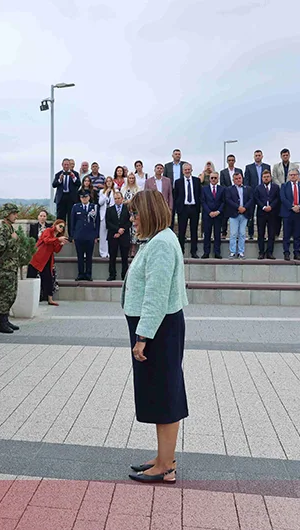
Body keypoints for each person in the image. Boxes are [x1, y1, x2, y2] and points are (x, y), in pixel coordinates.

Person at [122, 190, 188, 484]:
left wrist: (142, 336)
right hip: (159, 327)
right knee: (163, 392)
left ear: (147, 213)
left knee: (164, 394)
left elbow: (156, 296)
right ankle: (164, 457)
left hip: (158, 329)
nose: (132, 220)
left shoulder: (160, 244)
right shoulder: (157, 239)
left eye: (135, 214)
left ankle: (165, 467)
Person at [0, 203, 21, 332]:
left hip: (12, 266)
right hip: (5, 267)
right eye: (13, 213)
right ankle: (1, 323)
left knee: (11, 294)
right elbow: (0, 247)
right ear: (7, 214)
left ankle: (6, 319)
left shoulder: (10, 228)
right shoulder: (2, 230)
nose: (16, 216)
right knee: (5, 294)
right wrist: (12, 239)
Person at [28, 218, 66, 305]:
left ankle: (50, 299)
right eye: (60, 226)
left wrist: (60, 244)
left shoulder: (57, 237)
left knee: (48, 278)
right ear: (55, 225)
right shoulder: (48, 231)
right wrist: (58, 240)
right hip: (38, 257)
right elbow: (46, 240)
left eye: (63, 227)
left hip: (47, 259)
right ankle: (30, 298)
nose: (61, 228)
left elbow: (56, 250)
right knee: (32, 277)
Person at [173, 162, 202, 257]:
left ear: (191, 170)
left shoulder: (197, 181)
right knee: (182, 232)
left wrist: (199, 206)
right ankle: (181, 251)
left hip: (194, 208)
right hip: (183, 209)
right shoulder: (178, 182)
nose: (187, 171)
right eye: (185, 170)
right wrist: (178, 208)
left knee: (194, 231)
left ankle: (194, 252)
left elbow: (199, 194)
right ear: (182, 171)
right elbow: (175, 196)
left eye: (189, 169)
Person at [70, 189, 99, 281]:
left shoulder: (94, 207)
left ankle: (88, 274)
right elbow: (72, 222)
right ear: (80, 198)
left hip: (90, 235)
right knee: (80, 256)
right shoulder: (76, 207)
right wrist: (73, 236)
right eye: (82, 197)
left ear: (89, 197)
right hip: (79, 235)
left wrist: (96, 235)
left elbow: (97, 222)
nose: (84, 199)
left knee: (89, 257)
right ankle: (81, 274)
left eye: (86, 197)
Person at [280, 168, 300, 261]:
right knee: (286, 235)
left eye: (295, 175)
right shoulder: (284, 186)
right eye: (291, 175)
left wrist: (299, 206)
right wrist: (292, 207)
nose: (293, 176)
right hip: (288, 213)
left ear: (298, 176)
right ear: (288, 176)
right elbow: (283, 198)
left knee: (297, 234)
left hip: (299, 213)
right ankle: (286, 253)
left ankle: (297, 253)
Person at [224, 172, 253, 259]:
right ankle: (233, 252)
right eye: (236, 179)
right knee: (233, 234)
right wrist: (238, 207)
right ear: (233, 180)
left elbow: (251, 199)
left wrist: (245, 208)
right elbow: (228, 200)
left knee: (242, 233)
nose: (238, 180)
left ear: (242, 178)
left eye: (239, 178)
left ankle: (241, 252)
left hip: (244, 214)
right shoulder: (229, 189)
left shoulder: (248, 188)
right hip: (234, 214)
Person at [254, 169, 281, 260]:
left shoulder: (276, 187)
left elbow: (278, 198)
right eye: (264, 177)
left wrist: (271, 206)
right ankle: (261, 252)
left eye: (268, 177)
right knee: (261, 234)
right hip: (261, 213)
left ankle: (270, 252)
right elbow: (256, 199)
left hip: (272, 213)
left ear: (270, 177)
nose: (266, 178)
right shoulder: (258, 188)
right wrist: (263, 207)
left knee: (271, 234)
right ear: (262, 178)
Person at [106, 191, 132, 280]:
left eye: (118, 198)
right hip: (113, 236)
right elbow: (108, 223)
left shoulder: (127, 209)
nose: (117, 200)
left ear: (122, 199)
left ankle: (124, 275)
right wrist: (117, 230)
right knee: (112, 256)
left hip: (124, 236)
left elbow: (129, 221)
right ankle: (112, 274)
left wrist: (122, 230)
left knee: (124, 257)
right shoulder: (110, 209)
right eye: (115, 199)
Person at [245, 150, 270, 238]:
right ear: (254, 156)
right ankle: (251, 234)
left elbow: (269, 180)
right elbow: (246, 181)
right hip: (252, 193)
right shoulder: (249, 167)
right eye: (256, 155)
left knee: (264, 214)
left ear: (262, 156)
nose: (258, 157)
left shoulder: (267, 166)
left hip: (263, 193)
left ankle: (264, 234)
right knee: (250, 214)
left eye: (259, 155)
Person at [200, 172, 225, 259]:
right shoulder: (204, 189)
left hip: (218, 215)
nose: (213, 179)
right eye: (212, 178)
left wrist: (218, 211)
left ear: (218, 179)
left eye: (215, 178)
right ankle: (206, 252)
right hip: (208, 215)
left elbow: (223, 202)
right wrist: (209, 212)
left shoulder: (222, 189)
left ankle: (217, 252)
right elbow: (203, 201)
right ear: (209, 179)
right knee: (207, 234)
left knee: (217, 234)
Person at [52, 158, 80, 232]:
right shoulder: (58, 174)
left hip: (71, 198)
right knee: (60, 217)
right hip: (61, 197)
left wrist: (73, 177)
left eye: (68, 165)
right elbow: (54, 185)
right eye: (65, 165)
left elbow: (78, 184)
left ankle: (71, 235)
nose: (66, 166)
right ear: (62, 165)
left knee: (71, 217)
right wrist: (60, 180)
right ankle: (59, 233)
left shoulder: (75, 174)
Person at [98, 174, 118, 258]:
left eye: (110, 181)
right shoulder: (102, 191)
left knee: (111, 234)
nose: (109, 183)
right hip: (103, 214)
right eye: (107, 181)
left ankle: (110, 252)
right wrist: (106, 194)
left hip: (112, 214)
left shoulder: (116, 191)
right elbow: (100, 202)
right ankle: (103, 252)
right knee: (102, 234)